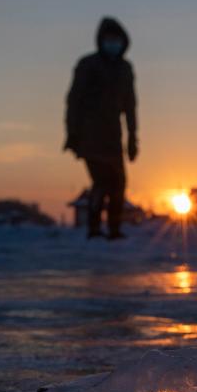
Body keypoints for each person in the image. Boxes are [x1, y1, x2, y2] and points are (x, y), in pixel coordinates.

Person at [64, 17, 138, 240]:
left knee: (119, 183)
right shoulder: (88, 65)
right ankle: (94, 228)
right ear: (101, 41)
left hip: (114, 137)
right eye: (109, 39)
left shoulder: (125, 69)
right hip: (89, 135)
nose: (113, 44)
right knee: (102, 181)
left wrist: (133, 137)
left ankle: (114, 229)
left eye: (116, 40)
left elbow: (130, 104)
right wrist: (73, 133)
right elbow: (74, 100)